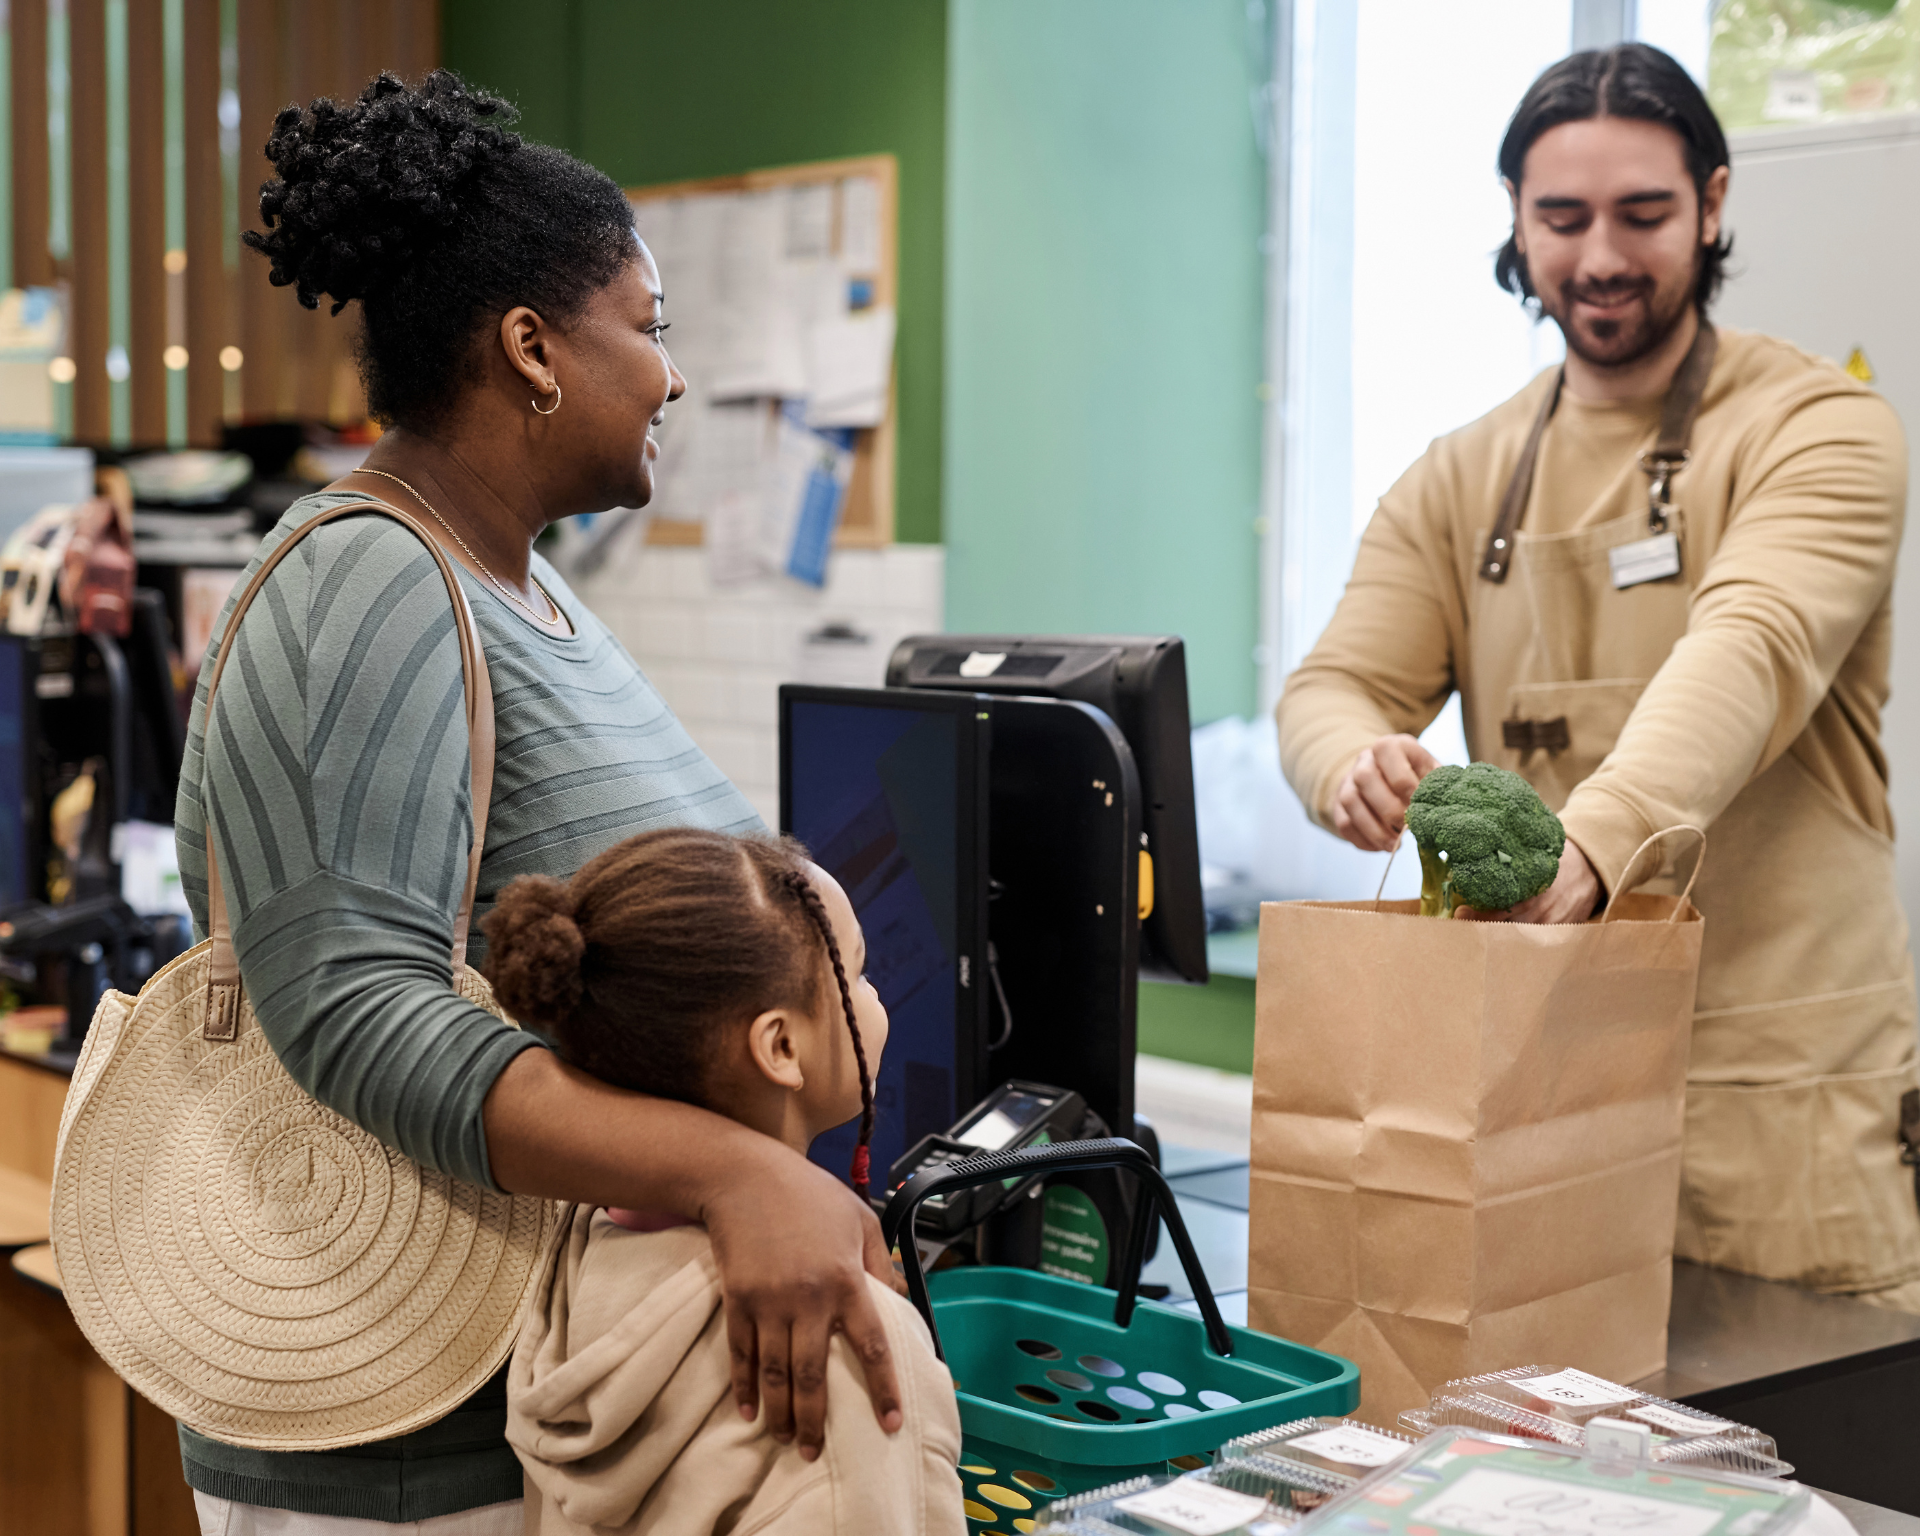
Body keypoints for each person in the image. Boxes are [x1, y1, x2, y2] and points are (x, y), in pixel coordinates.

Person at [177, 71, 907, 1531]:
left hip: (536, 1404)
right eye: (648, 327)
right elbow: (356, 1007)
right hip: (403, 1446)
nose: (672, 375)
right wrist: (728, 1174)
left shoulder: (518, 582)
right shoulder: (370, 578)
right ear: (529, 349)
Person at [1276, 44, 1920, 1309]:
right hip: (1541, 1087)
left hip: (1779, 1094)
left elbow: (1753, 647)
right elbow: (1332, 685)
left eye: (1644, 214)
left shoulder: (1822, 429)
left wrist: (1596, 844)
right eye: (1562, 218)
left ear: (1714, 205)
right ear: (1517, 217)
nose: (1601, 256)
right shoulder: (1461, 474)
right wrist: (1349, 761)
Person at [492, 829, 965, 1535]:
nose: (875, 992)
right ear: (781, 1046)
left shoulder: (580, 1250)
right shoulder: (836, 1332)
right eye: (858, 972)